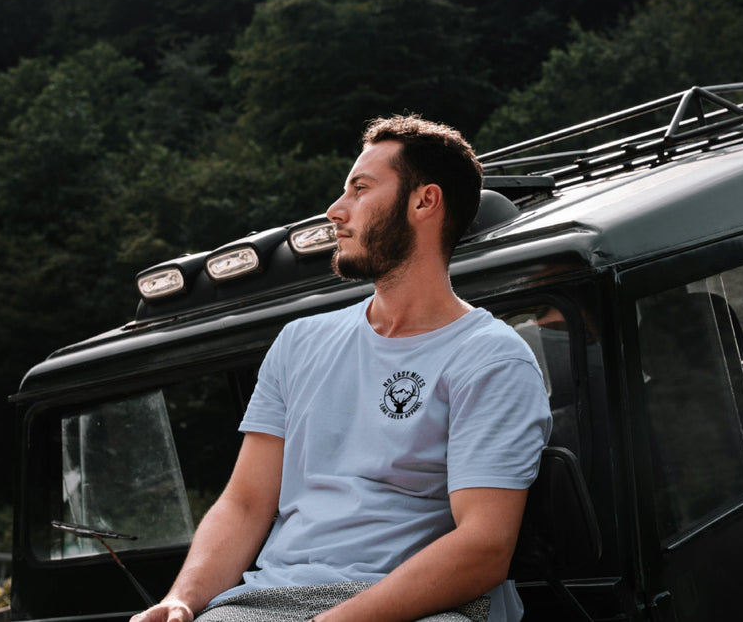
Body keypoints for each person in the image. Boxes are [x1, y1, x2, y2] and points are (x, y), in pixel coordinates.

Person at [131, 115, 551, 622]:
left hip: (420, 606)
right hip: (267, 602)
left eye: (360, 189)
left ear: (424, 202)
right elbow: (245, 505)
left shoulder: (491, 357)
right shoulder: (299, 342)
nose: (335, 210)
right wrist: (183, 599)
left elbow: (484, 548)